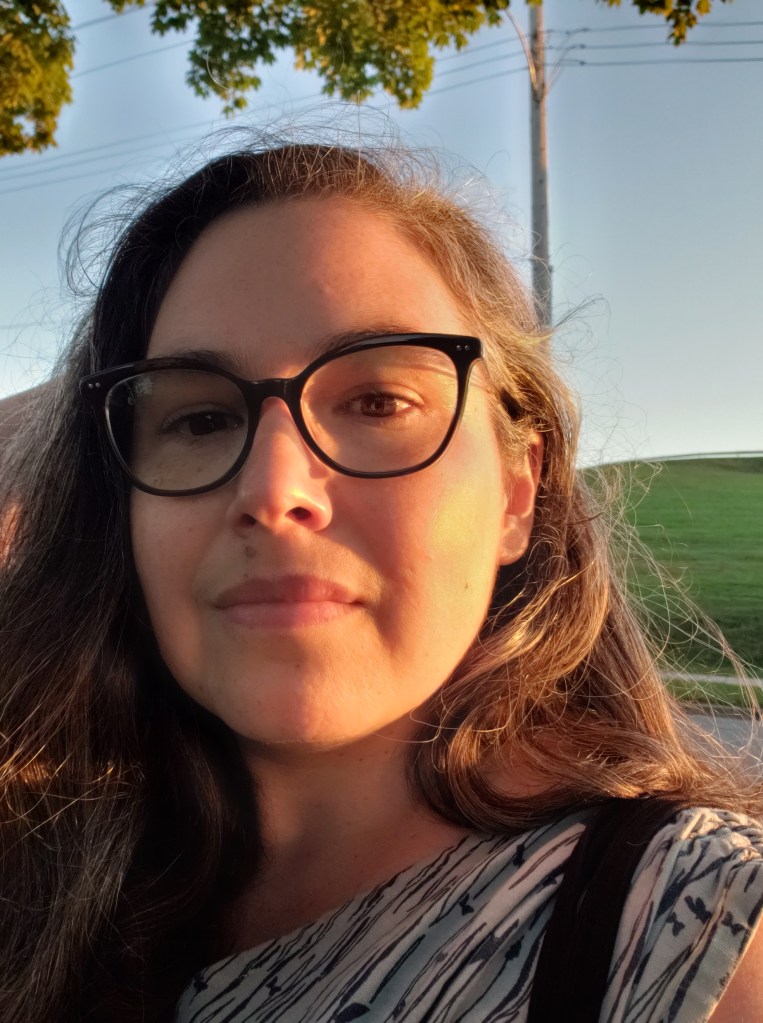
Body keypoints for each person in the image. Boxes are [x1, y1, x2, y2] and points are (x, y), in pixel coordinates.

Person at [1, 135, 761, 1023]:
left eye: (377, 403)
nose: (274, 490)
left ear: (519, 490)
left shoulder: (699, 938)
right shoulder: (38, 871)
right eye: (200, 416)